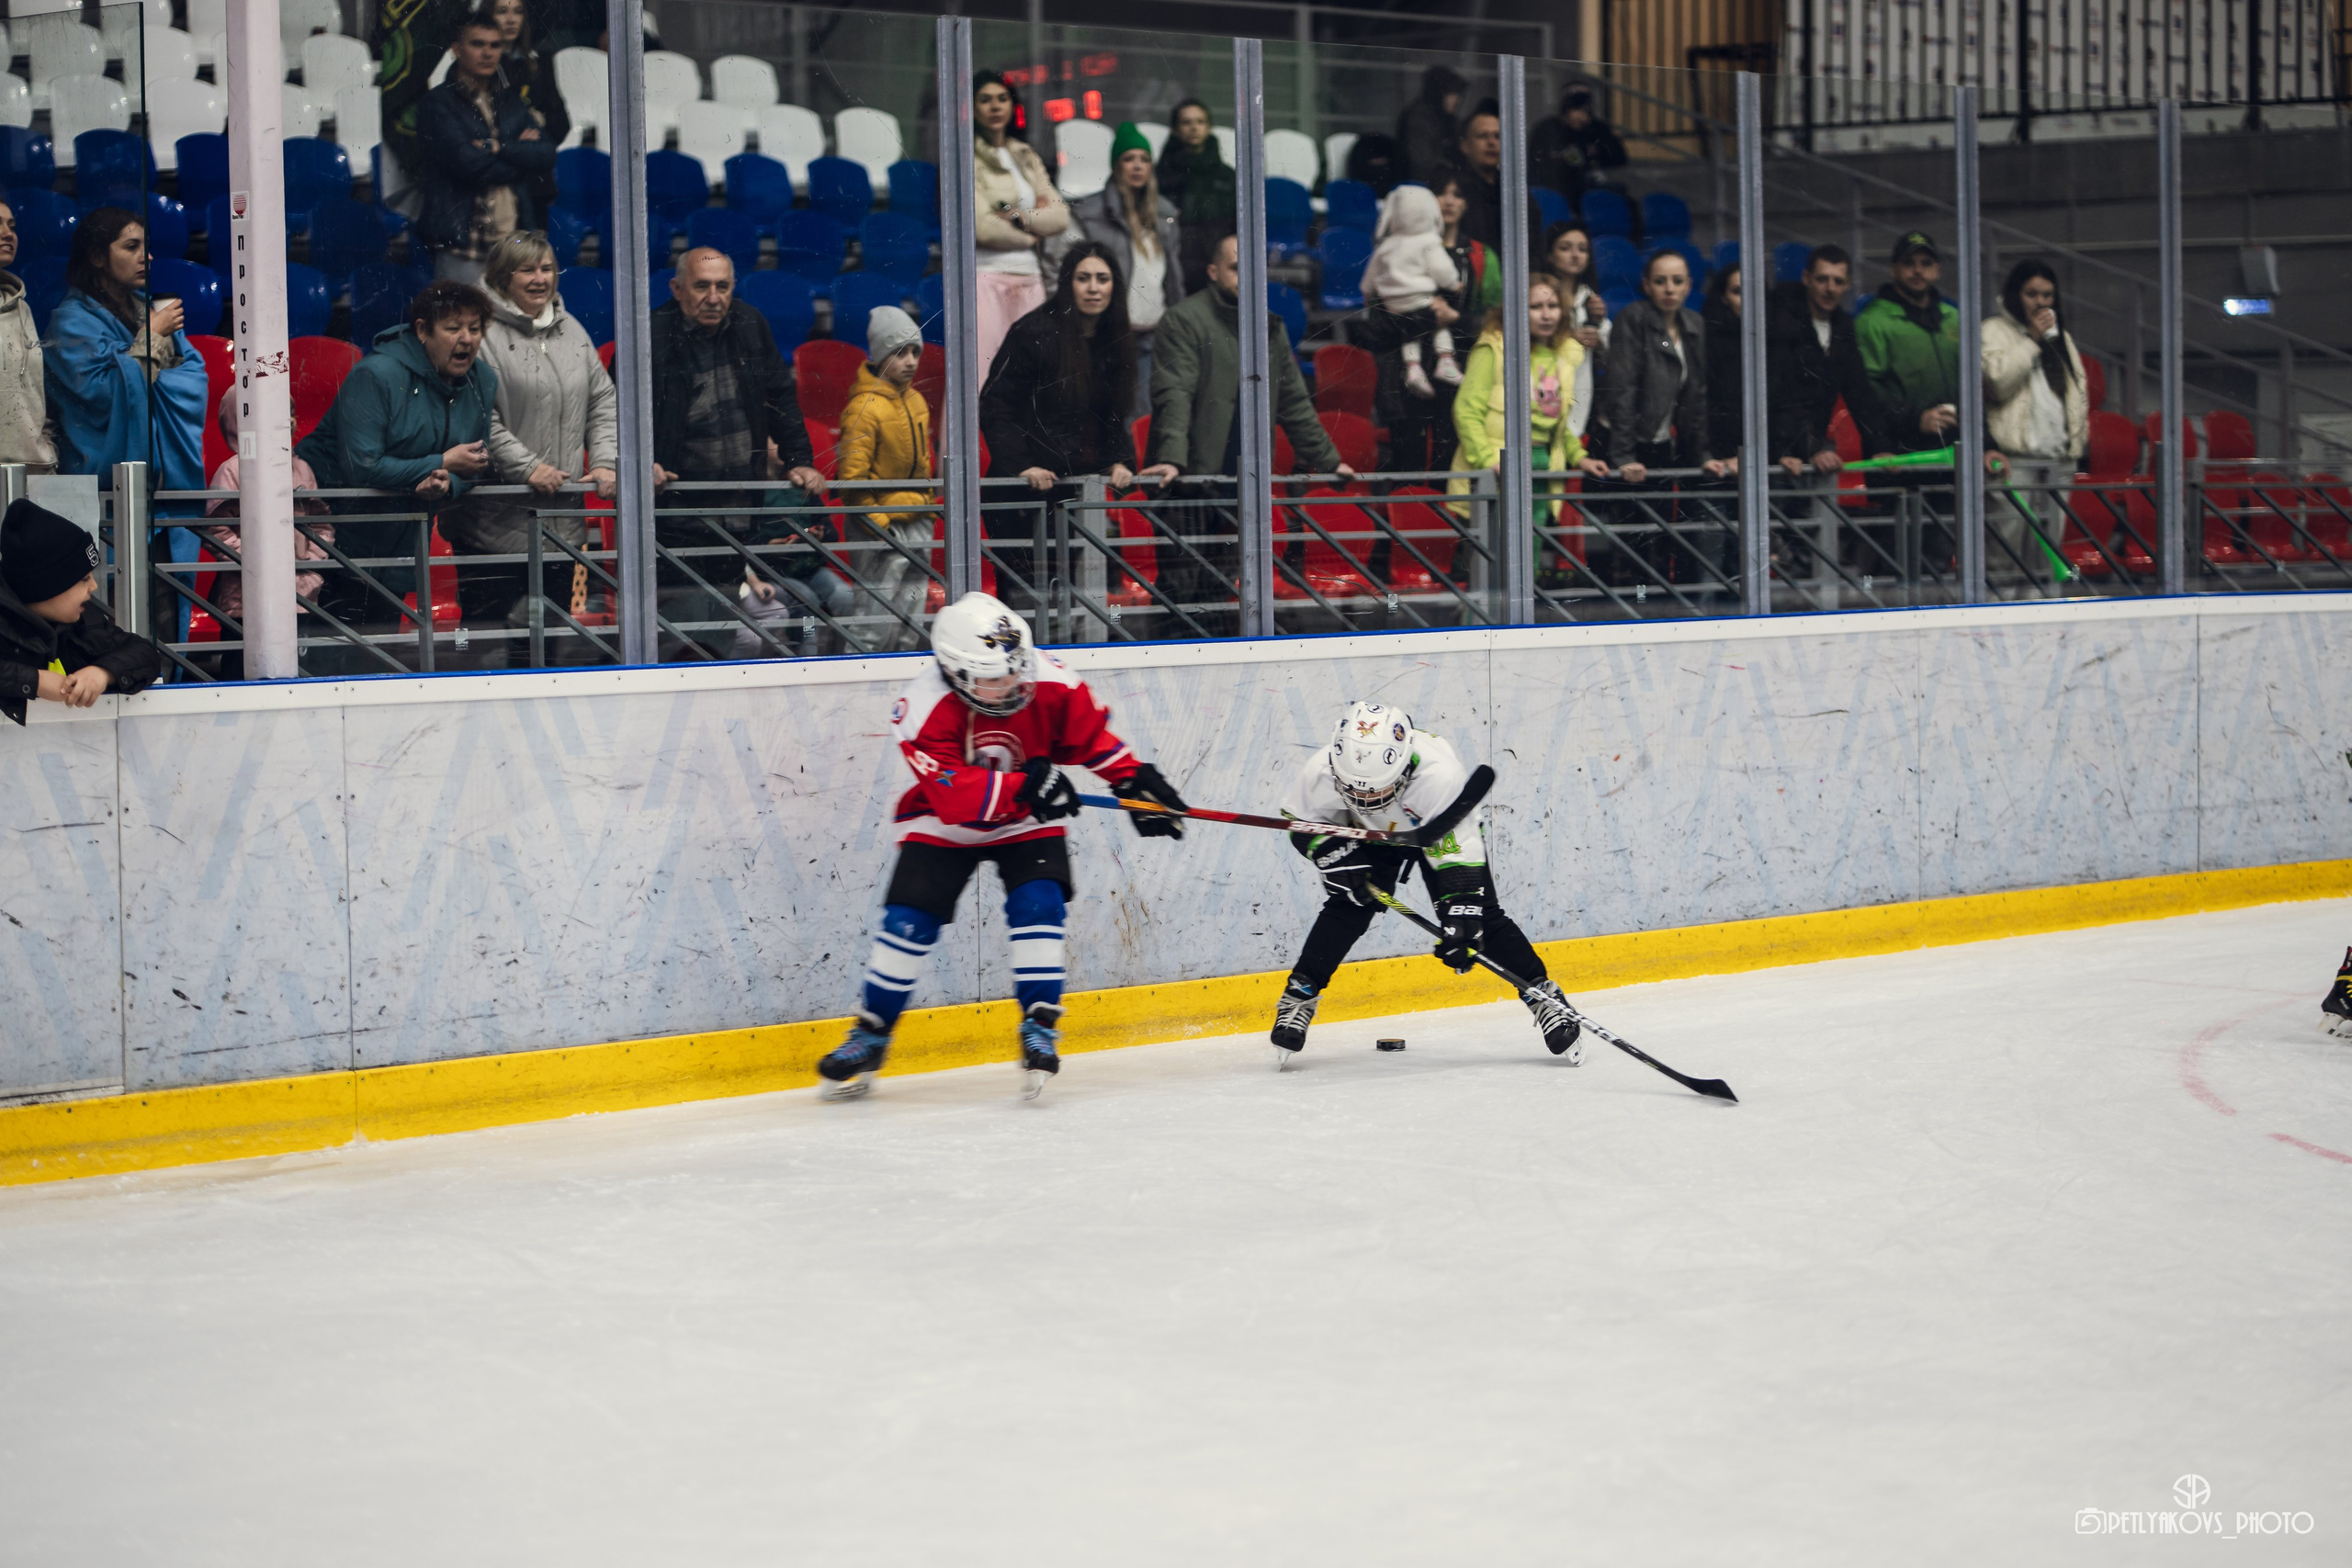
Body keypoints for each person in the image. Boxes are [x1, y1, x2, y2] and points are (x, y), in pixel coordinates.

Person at [817, 590, 1190, 1100]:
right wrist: (1026, 786)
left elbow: (1088, 735)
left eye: (1016, 669)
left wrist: (1129, 779)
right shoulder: (921, 708)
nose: (1013, 682)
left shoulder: (1048, 677)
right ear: (955, 673)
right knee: (909, 919)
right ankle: (872, 1032)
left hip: (1025, 820)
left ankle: (1039, 1023)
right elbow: (953, 795)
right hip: (945, 822)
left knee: (1040, 903)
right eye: (995, 679)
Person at [1269, 699, 1579, 1066]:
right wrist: (1334, 857)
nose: (1365, 800)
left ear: (1403, 771)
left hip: (1437, 830)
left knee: (1482, 918)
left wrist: (1462, 917)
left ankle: (1543, 994)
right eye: (1354, 792)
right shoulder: (1321, 770)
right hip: (1369, 836)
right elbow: (1300, 821)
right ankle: (1299, 995)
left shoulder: (1439, 778)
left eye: (1376, 792)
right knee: (1349, 905)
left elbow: (1458, 854)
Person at [1143, 233, 1351, 631]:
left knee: (1220, 590)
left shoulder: (1269, 326)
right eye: (1237, 268)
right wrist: (1171, 458)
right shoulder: (1184, 319)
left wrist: (1329, 461)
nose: (1247, 278)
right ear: (1213, 272)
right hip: (1189, 484)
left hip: (1242, 486)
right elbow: (1174, 393)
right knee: (1180, 591)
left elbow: (1293, 400)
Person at [649, 247, 824, 657]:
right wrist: (644, 463)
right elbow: (616, 410)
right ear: (676, 288)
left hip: (737, 511)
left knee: (723, 629)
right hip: (676, 513)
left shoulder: (750, 322)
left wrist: (799, 460)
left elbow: (781, 396)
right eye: (702, 287)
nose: (714, 298)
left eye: (723, 287)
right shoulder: (652, 332)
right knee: (684, 630)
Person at [297, 280, 499, 635]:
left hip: (403, 543)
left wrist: (447, 482)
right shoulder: (376, 374)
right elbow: (362, 466)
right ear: (422, 330)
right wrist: (441, 463)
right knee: (327, 654)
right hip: (331, 542)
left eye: (475, 328)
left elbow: (477, 459)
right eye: (453, 328)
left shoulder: (482, 379)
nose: (466, 338)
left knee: (378, 650)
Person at [452, 230, 616, 665]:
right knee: (487, 653)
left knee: (546, 652)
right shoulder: (480, 333)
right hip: (493, 530)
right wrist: (527, 468)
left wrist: (604, 461)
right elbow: (477, 415)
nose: (540, 278)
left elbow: (602, 401)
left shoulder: (572, 329)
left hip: (561, 529)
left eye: (547, 268)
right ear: (503, 276)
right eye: (527, 270)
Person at [979, 243, 1140, 616]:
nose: (1094, 288)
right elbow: (995, 405)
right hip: (1022, 495)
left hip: (1073, 491)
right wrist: (1022, 466)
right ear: (1068, 284)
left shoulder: (1114, 337)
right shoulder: (1033, 331)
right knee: (1026, 606)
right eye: (1083, 278)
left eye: (1103, 279)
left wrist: (1120, 460)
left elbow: (1112, 414)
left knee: (1076, 604)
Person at [46, 208, 207, 498]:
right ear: (97, 257)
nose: (147, 257)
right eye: (132, 247)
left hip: (169, 484)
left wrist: (145, 360)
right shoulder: (70, 323)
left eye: (147, 247)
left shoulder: (151, 312)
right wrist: (153, 339)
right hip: (106, 491)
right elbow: (104, 395)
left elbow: (194, 377)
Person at [1595, 250, 1731, 586]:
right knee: (1633, 537)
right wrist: (1623, 456)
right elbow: (1623, 390)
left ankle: (1660, 602)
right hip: (1627, 442)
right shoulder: (1633, 318)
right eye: (1660, 281)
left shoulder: (1694, 323)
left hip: (1666, 443)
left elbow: (1697, 395)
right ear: (1646, 285)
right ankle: (1635, 604)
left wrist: (1703, 454)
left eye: (1677, 281)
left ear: (1688, 286)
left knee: (1664, 533)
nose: (1669, 289)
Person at [1449, 275, 1607, 554]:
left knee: (1528, 556)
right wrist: (1489, 461)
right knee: (1491, 561)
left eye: (1553, 306)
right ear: (1516, 309)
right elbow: (1466, 411)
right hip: (1497, 467)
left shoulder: (1563, 355)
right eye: (1536, 307)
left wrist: (1580, 458)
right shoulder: (1494, 348)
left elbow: (1556, 424)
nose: (1546, 315)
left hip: (1542, 466)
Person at [414, 9, 558, 286]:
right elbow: (469, 163)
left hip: (511, 244)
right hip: (464, 246)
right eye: (477, 44)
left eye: (494, 45)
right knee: (462, 314)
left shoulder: (510, 101)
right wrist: (520, 157)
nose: (488, 53)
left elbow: (546, 153)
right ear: (457, 49)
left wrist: (496, 147)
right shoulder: (437, 103)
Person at [202, 389, 334, 676]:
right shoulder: (232, 471)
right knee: (240, 670)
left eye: (291, 413)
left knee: (297, 671)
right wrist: (254, 561)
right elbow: (216, 530)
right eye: (277, 412)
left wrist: (310, 566)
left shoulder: (302, 469)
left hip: (299, 594)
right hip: (245, 599)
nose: (288, 421)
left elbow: (321, 526)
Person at [0, 497, 160, 724]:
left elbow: (145, 653)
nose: (93, 586)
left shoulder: (83, 619)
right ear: (47, 586)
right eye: (84, 579)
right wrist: (35, 682)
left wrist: (102, 673)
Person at [835, 305, 934, 654]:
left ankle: (905, 678)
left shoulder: (917, 401)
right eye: (900, 353)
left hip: (916, 519)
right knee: (873, 624)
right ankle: (859, 680)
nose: (910, 362)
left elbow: (924, 466)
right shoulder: (863, 408)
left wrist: (926, 509)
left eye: (915, 352)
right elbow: (852, 480)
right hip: (879, 527)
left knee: (911, 622)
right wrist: (878, 522)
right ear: (880, 357)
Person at [1070, 122, 1183, 419]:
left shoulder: (1165, 214)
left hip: (1151, 336)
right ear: (1116, 165)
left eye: (1144, 159)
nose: (1137, 166)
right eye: (1128, 158)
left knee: (1143, 417)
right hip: (1106, 335)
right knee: (1105, 415)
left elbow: (1173, 279)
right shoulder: (1090, 213)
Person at [1982, 258, 2087, 575]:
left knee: (2048, 557)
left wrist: (2078, 440)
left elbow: (2078, 393)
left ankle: (2047, 606)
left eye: (2047, 295)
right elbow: (1997, 383)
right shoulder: (1993, 330)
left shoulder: (2062, 337)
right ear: (2015, 295)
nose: (2040, 302)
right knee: (2005, 553)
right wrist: (2031, 339)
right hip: (2014, 462)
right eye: (2031, 294)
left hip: (2058, 461)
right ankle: (1997, 607)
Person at [972, 69, 1070, 378]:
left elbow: (1060, 215)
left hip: (1030, 276)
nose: (995, 106)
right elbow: (982, 227)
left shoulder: (1025, 154)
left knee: (1032, 375)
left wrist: (1019, 217)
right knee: (982, 375)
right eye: (985, 100)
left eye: (1002, 99)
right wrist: (1031, 236)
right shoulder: (968, 156)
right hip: (986, 275)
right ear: (971, 108)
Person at [1765, 243, 1883, 474]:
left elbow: (1859, 392)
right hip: (1777, 447)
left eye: (1838, 281)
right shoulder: (1780, 321)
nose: (1830, 288)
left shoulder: (1843, 326)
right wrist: (1810, 448)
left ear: (1848, 285)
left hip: (1808, 449)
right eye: (1822, 279)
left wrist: (1881, 447)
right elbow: (1781, 393)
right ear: (1806, 278)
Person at [1854, 230, 1962, 456]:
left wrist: (1988, 445)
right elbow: (1866, 391)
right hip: (1899, 452)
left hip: (1955, 451)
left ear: (1937, 270)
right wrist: (1916, 419)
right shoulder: (1872, 321)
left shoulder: (1954, 318)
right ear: (1894, 269)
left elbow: (1972, 385)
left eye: (1926, 263)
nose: (1918, 270)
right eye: (1909, 263)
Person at [1364, 184, 1463, 401]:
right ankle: (1446, 360)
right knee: (1439, 326)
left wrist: (1367, 293)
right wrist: (1454, 284)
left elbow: (1369, 278)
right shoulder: (1428, 241)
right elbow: (1442, 270)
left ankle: (1413, 368)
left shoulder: (1387, 245)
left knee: (1411, 332)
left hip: (1394, 304)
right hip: (1422, 299)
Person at [1154, 97, 1235, 297]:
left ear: (1208, 127)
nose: (1194, 128)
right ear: (1175, 129)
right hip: (1173, 260)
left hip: (1215, 263)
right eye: (1186, 122)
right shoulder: (1161, 174)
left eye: (1200, 122)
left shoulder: (1226, 176)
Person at [1542, 220, 1611, 442]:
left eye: (1582, 249)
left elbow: (1609, 346)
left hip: (1581, 384)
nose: (1575, 255)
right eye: (1565, 248)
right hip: (1545, 383)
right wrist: (1570, 336)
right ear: (1549, 255)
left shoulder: (1589, 297)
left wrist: (1598, 326)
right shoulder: (1539, 293)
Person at [0, 198, 51, 470]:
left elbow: (35, 392)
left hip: (34, 472)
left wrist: (47, 448)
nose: (7, 233)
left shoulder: (22, 308)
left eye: (12, 226)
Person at [1527, 83, 1628, 209]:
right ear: (1565, 111)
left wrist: (1596, 157)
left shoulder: (1596, 129)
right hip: (1556, 189)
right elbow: (1537, 164)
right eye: (1576, 109)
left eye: (1586, 111)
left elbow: (1619, 156)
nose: (1581, 116)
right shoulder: (1548, 129)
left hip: (1589, 189)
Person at [1702, 261, 1745, 460]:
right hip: (1720, 455)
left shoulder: (1777, 338)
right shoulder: (1709, 339)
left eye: (1753, 291)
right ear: (1724, 297)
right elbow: (1708, 405)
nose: (1747, 300)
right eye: (1737, 292)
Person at [1396, 65, 1465, 186]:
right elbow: (1421, 163)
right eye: (1451, 93)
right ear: (1438, 94)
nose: (1457, 99)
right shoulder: (1418, 119)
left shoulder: (1446, 119)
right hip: (1423, 185)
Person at [1450, 104, 1506, 251]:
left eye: (1498, 136)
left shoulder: (1512, 187)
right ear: (1465, 145)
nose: (1491, 142)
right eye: (1482, 136)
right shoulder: (1455, 190)